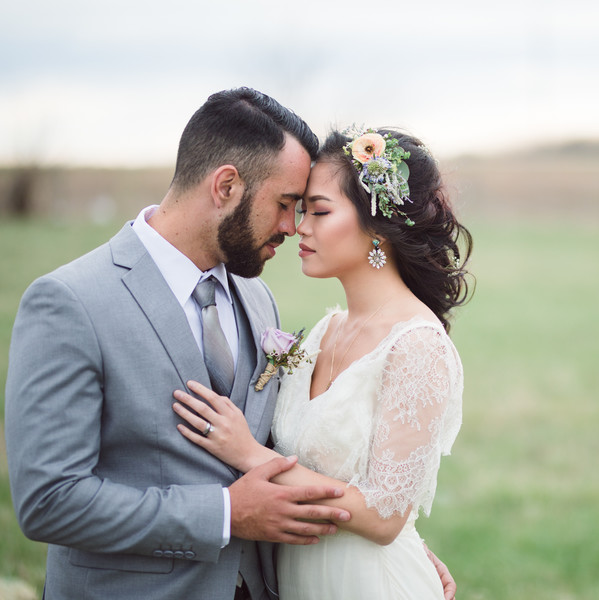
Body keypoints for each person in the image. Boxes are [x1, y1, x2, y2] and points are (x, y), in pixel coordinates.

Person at [4, 89, 455, 600]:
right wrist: (224, 515)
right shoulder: (71, 302)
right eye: (287, 204)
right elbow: (49, 501)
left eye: (308, 209)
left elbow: (286, 450)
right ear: (226, 186)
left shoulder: (257, 297)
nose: (292, 227)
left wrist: (389, 546)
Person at [171, 125, 472, 599]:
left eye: (319, 211)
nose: (298, 228)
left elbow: (383, 517)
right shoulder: (324, 332)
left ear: (378, 225)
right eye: (298, 209)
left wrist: (247, 451)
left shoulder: (416, 346)